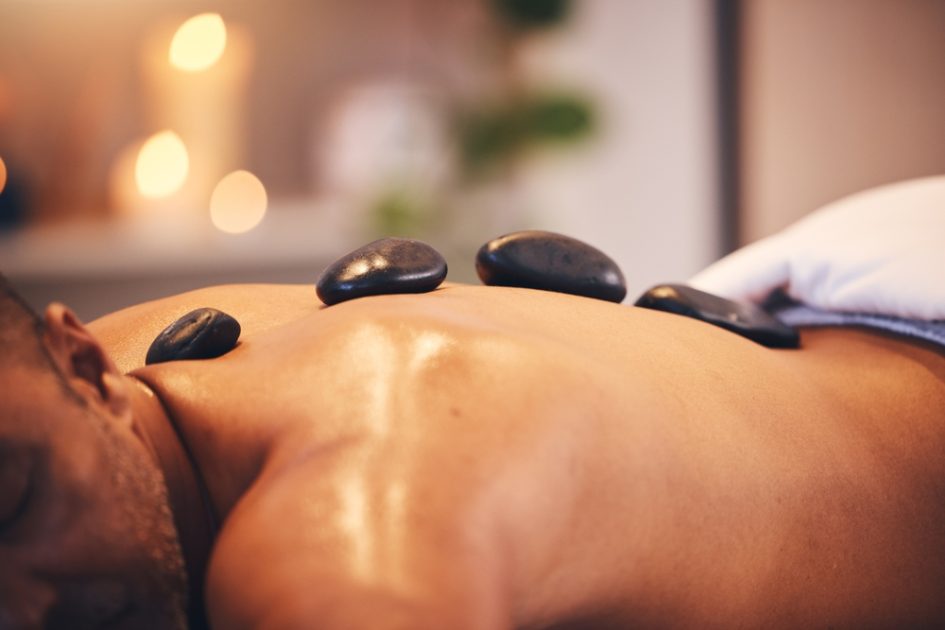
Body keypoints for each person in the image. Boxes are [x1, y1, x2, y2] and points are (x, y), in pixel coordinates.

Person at [1, 273, 944, 629]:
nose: (25, 608)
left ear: (82, 362)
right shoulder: (84, 382)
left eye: (15, 503)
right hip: (800, 311)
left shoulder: (347, 518)